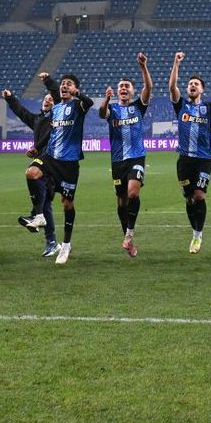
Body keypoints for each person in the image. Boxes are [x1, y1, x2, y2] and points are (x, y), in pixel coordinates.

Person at [168, 52, 211, 254]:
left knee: (199, 195)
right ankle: (194, 230)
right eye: (190, 84)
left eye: (196, 84)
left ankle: (198, 235)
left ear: (202, 89)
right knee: (189, 198)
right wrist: (176, 63)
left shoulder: (209, 107)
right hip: (184, 160)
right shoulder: (181, 105)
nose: (192, 86)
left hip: (204, 159)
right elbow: (172, 87)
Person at [98, 52, 153, 258]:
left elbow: (148, 88)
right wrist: (106, 99)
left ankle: (129, 233)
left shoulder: (138, 107)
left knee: (133, 193)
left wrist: (143, 67)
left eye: (127, 86)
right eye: (121, 86)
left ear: (132, 91)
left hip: (136, 157)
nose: (123, 88)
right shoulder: (112, 109)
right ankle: (128, 238)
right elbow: (102, 113)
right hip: (117, 160)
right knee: (121, 201)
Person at [38, 70, 94, 264]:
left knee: (67, 203)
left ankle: (66, 244)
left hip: (69, 163)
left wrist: (76, 93)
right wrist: (37, 147)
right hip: (51, 159)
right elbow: (51, 132)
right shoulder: (55, 109)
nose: (64, 86)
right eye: (63, 83)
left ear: (76, 88)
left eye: (69, 83)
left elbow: (89, 103)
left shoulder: (78, 105)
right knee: (33, 173)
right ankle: (37, 215)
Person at [2, 89, 58, 256]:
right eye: (46, 98)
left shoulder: (58, 118)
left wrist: (36, 148)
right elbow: (21, 112)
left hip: (53, 162)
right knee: (45, 203)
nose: (47, 100)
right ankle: (51, 241)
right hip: (42, 160)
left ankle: (36, 216)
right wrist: (10, 98)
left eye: (51, 99)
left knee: (33, 177)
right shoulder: (37, 119)